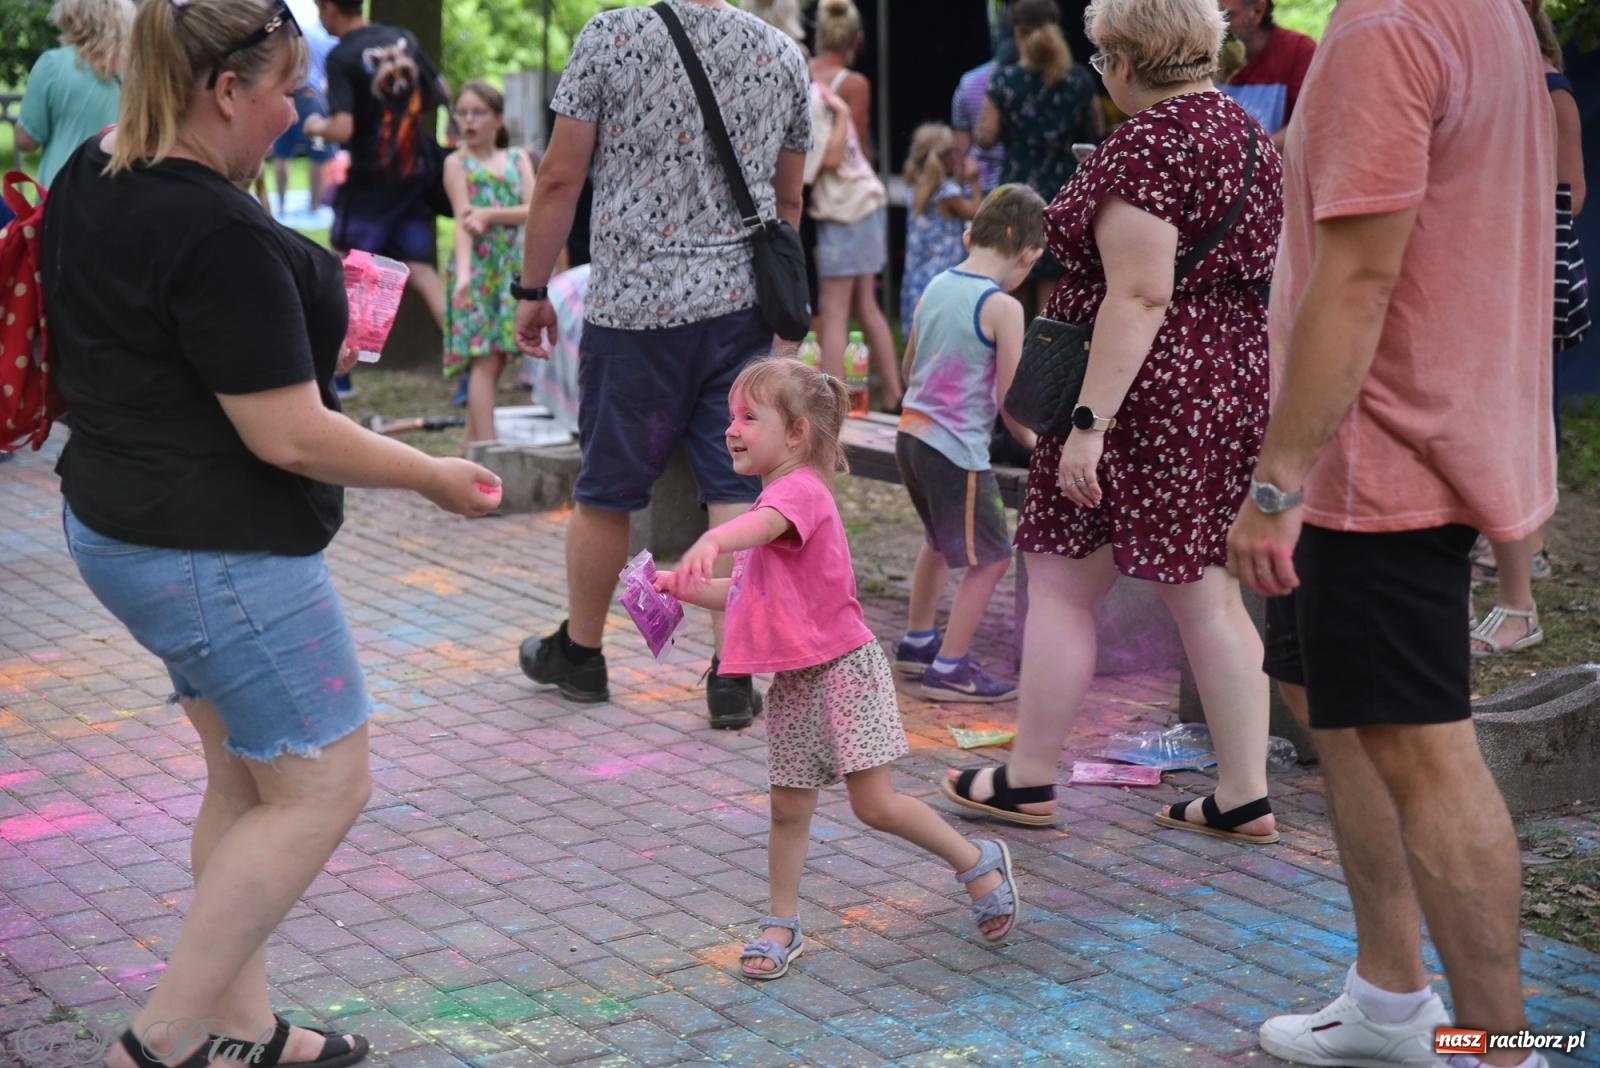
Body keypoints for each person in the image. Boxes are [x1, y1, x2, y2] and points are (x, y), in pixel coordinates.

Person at [38, 1, 502, 1066]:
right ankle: (156, 1046)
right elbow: (290, 434)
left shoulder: (98, 170)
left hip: (121, 526)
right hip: (212, 553)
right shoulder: (214, 231)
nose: (299, 114)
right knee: (325, 784)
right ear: (223, 91)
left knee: (248, 784)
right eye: (288, 89)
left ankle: (240, 1030)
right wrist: (431, 473)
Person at [1226, 0, 1555, 1064]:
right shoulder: (1481, 10)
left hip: (1381, 453)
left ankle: (1494, 1051)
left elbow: (1359, 279)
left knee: (1422, 747)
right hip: (1400, 436)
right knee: (1331, 698)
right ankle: (1388, 999)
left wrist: (1274, 483)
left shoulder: (1388, 30)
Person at [944, 0, 1283, 844]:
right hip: (1224, 380)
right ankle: (1243, 792)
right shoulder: (1246, 136)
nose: (1102, 74)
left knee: (1060, 579)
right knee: (1208, 591)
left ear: (1128, 59)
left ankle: (1026, 780)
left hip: (1139, 388)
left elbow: (1140, 293)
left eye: (1102, 60)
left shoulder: (1146, 143)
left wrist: (1090, 423)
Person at [654, 357, 1022, 979]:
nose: (731, 430)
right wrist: (681, 587)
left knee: (873, 806)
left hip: (845, 671)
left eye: (749, 417)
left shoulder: (797, 491)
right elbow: (751, 593)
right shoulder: (773, 496)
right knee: (787, 808)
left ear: (796, 433)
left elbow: (760, 527)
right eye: (730, 418)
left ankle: (978, 860)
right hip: (797, 680)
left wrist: (713, 540)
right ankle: (782, 923)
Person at [512, 0, 810, 729]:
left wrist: (531, 287)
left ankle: (581, 656)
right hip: (738, 310)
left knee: (608, 491)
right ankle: (733, 672)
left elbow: (558, 178)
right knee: (734, 484)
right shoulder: (782, 55)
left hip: (633, 313)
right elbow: (789, 198)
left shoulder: (610, 36)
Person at [1469, 0, 1588, 658]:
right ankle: (1499, 583)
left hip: (1518, 278)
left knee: (1509, 424)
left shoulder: (1547, 88)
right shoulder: (1486, 79)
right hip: (1480, 279)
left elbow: (1569, 193)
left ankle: (1520, 588)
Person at [894, 184, 1043, 702]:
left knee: (938, 539)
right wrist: (1036, 443)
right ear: (1028, 257)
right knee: (993, 558)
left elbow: (909, 367)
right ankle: (950, 666)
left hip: (911, 437)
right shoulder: (1002, 308)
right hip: (956, 450)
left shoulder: (935, 285)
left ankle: (917, 643)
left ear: (968, 235)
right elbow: (1011, 401)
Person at [306, 0, 450, 333]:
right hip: (414, 174)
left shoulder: (342, 56)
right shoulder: (402, 37)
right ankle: (469, 366)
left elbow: (343, 128)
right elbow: (439, 91)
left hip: (370, 180)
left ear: (330, 8)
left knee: (348, 268)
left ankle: (341, 371)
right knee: (422, 270)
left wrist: (314, 125)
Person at [976, 0, 1102, 314]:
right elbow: (1097, 129)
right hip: (1062, 191)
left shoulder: (1004, 81)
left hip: (1017, 190)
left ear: (1017, 32)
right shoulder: (1078, 80)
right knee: (1052, 291)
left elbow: (985, 136)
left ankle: (1010, 357)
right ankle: (1048, 360)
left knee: (1011, 280)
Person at [806, 0, 902, 410]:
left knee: (837, 306)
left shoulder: (804, 74)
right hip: (856, 201)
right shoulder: (854, 83)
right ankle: (889, 394)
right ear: (857, 40)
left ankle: (836, 402)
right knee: (859, 304)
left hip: (828, 203)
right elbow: (858, 147)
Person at [443, 80, 536, 452]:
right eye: (462, 112)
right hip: (479, 272)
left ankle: (468, 451)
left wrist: (490, 214)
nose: (468, 120)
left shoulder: (517, 160)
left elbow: (534, 208)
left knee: (497, 358)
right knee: (484, 359)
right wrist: (464, 277)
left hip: (508, 270)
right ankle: (490, 452)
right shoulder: (456, 163)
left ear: (497, 119)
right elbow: (464, 224)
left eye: (477, 112)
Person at [16, 0, 133, 188]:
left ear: (69, 14)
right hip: (120, 188)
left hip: (61, 188)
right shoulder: (138, 68)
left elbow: (25, 141)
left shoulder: (52, 64)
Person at [898, 122, 982, 330]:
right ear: (943, 156)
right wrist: (974, 181)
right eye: (952, 151)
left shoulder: (915, 187)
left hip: (917, 277)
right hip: (944, 275)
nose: (956, 156)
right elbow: (978, 213)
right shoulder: (947, 192)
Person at [266, 0, 336, 219]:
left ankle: (282, 205)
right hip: (309, 97)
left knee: (282, 153)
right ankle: (314, 205)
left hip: (283, 96)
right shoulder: (319, 35)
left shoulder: (279, 33)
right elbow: (331, 66)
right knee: (318, 152)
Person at [1216, 0, 1315, 147]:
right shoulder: (1208, 53)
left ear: (1258, 11)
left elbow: (1310, 123)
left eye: (1226, 16)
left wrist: (1246, 155)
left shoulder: (1298, 51)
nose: (1217, 26)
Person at [951, 56, 1008, 196]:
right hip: (1025, 187)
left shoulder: (968, 81)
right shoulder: (1042, 77)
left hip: (980, 186)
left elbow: (961, 153)